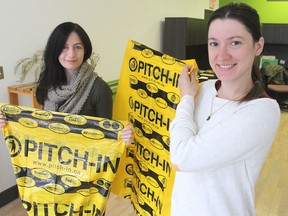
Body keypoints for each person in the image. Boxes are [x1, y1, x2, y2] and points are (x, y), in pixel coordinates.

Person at [169, 3, 281, 216]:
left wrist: (185, 98)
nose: (221, 56)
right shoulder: (202, 89)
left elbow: (181, 157)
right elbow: (174, 136)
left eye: (235, 42)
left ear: (258, 46)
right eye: (214, 43)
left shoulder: (262, 111)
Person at [1, 22, 133, 144]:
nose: (71, 54)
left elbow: (108, 137)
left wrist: (125, 137)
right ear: (55, 50)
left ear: (85, 50)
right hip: (51, 161)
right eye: (64, 47)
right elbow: (42, 125)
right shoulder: (48, 83)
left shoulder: (99, 88)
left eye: (77, 47)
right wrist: (8, 121)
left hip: (86, 165)